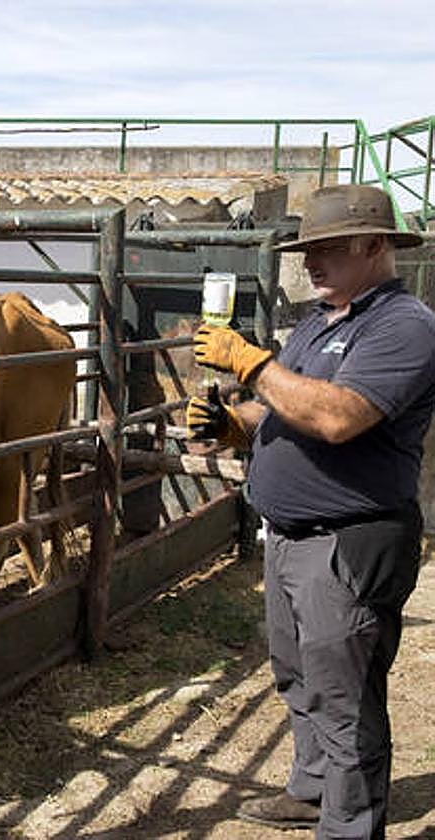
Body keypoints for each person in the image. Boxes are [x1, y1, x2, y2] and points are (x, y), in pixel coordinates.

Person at [188, 183, 434, 839]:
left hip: (347, 543)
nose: (311, 264)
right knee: (299, 679)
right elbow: (278, 407)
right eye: (307, 250)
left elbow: (336, 416)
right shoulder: (324, 321)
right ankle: (312, 790)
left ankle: (350, 828)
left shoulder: (402, 325)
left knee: (345, 700)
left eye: (327, 249)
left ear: (375, 245)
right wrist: (233, 425)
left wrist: (249, 361)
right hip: (293, 538)